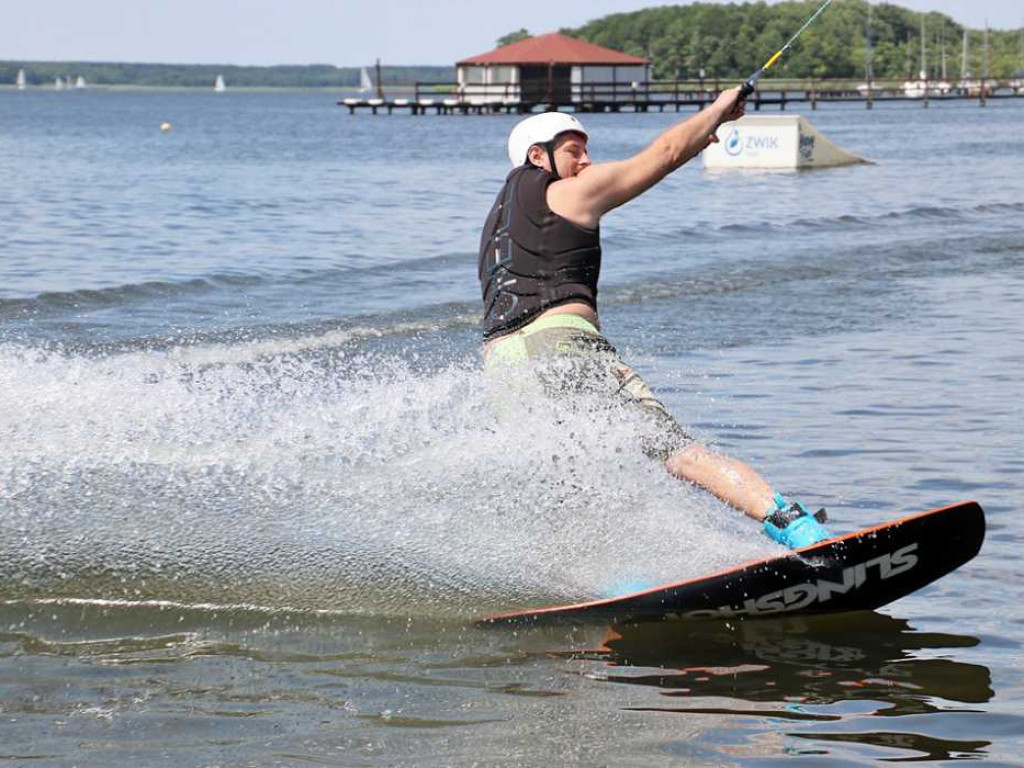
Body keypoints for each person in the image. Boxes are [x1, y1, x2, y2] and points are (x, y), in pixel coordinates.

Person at [477, 87, 832, 550]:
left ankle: (606, 580)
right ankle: (801, 531)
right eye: (573, 152)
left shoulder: (494, 227)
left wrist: (697, 138)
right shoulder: (563, 195)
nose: (585, 162)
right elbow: (662, 154)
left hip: (503, 368)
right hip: (561, 347)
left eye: (586, 151)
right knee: (678, 452)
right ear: (538, 157)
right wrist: (717, 111)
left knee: (564, 483)